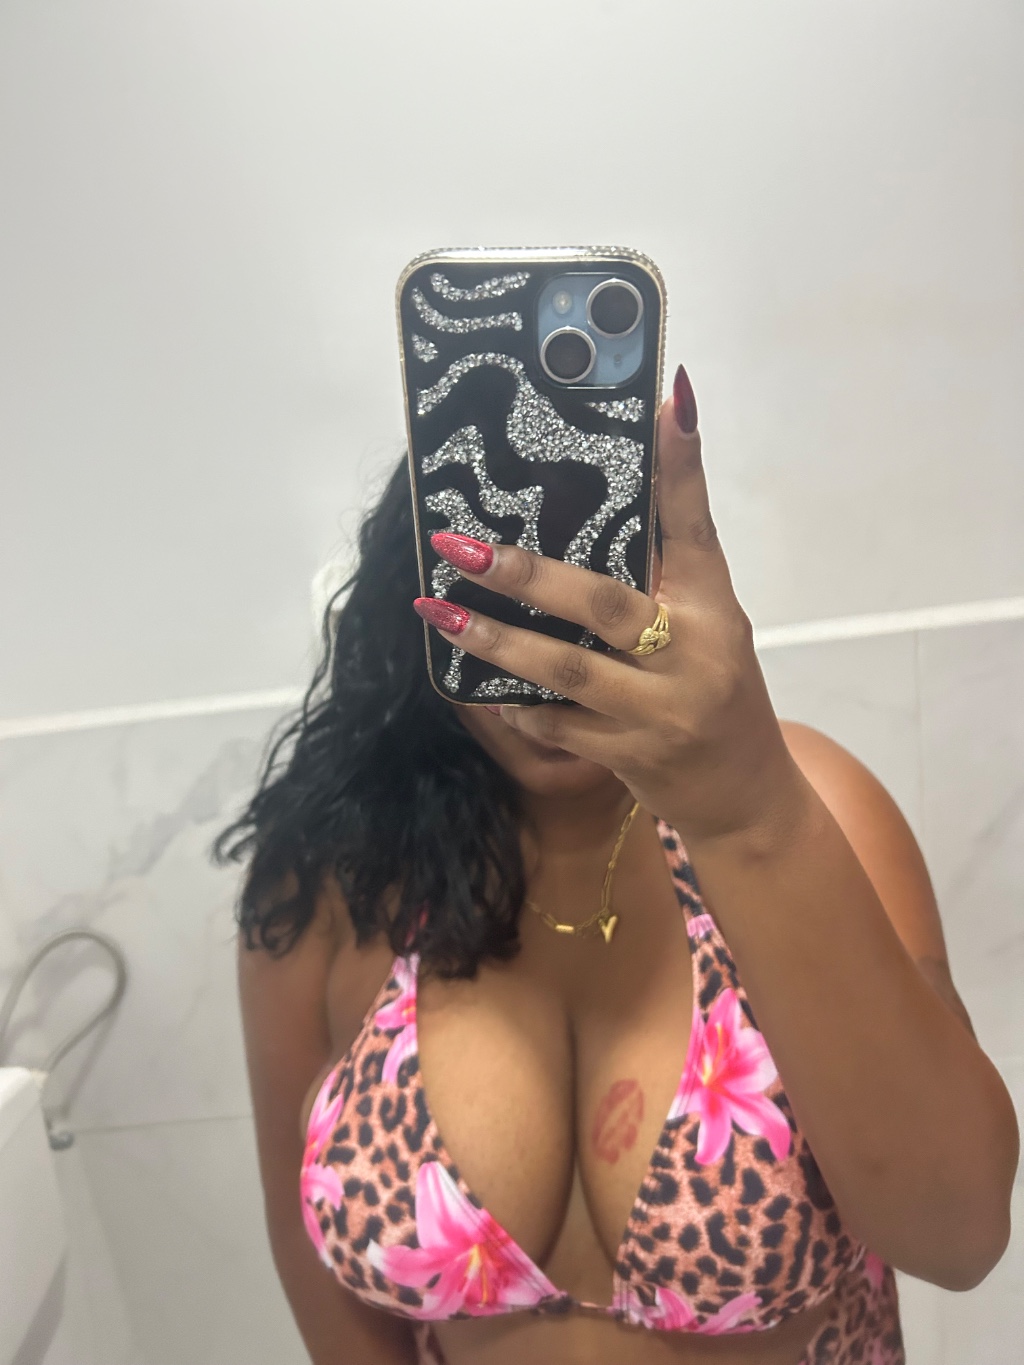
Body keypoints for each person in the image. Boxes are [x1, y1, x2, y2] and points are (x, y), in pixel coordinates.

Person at [216, 365, 1018, 1365]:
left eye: (587, 588)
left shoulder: (803, 806)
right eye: (495, 597)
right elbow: (318, 1278)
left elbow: (959, 1232)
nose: (548, 663)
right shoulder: (334, 881)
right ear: (419, 608)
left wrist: (749, 816)